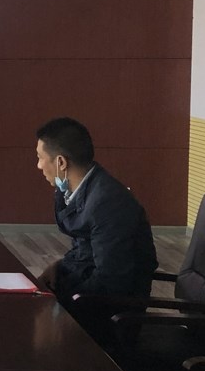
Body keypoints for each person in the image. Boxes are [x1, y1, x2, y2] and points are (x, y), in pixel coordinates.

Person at [34, 117, 157, 307]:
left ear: (61, 162)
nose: (39, 165)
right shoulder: (76, 190)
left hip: (109, 310)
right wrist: (59, 267)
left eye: (40, 157)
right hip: (86, 289)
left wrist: (61, 305)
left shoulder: (108, 203)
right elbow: (85, 251)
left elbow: (111, 280)